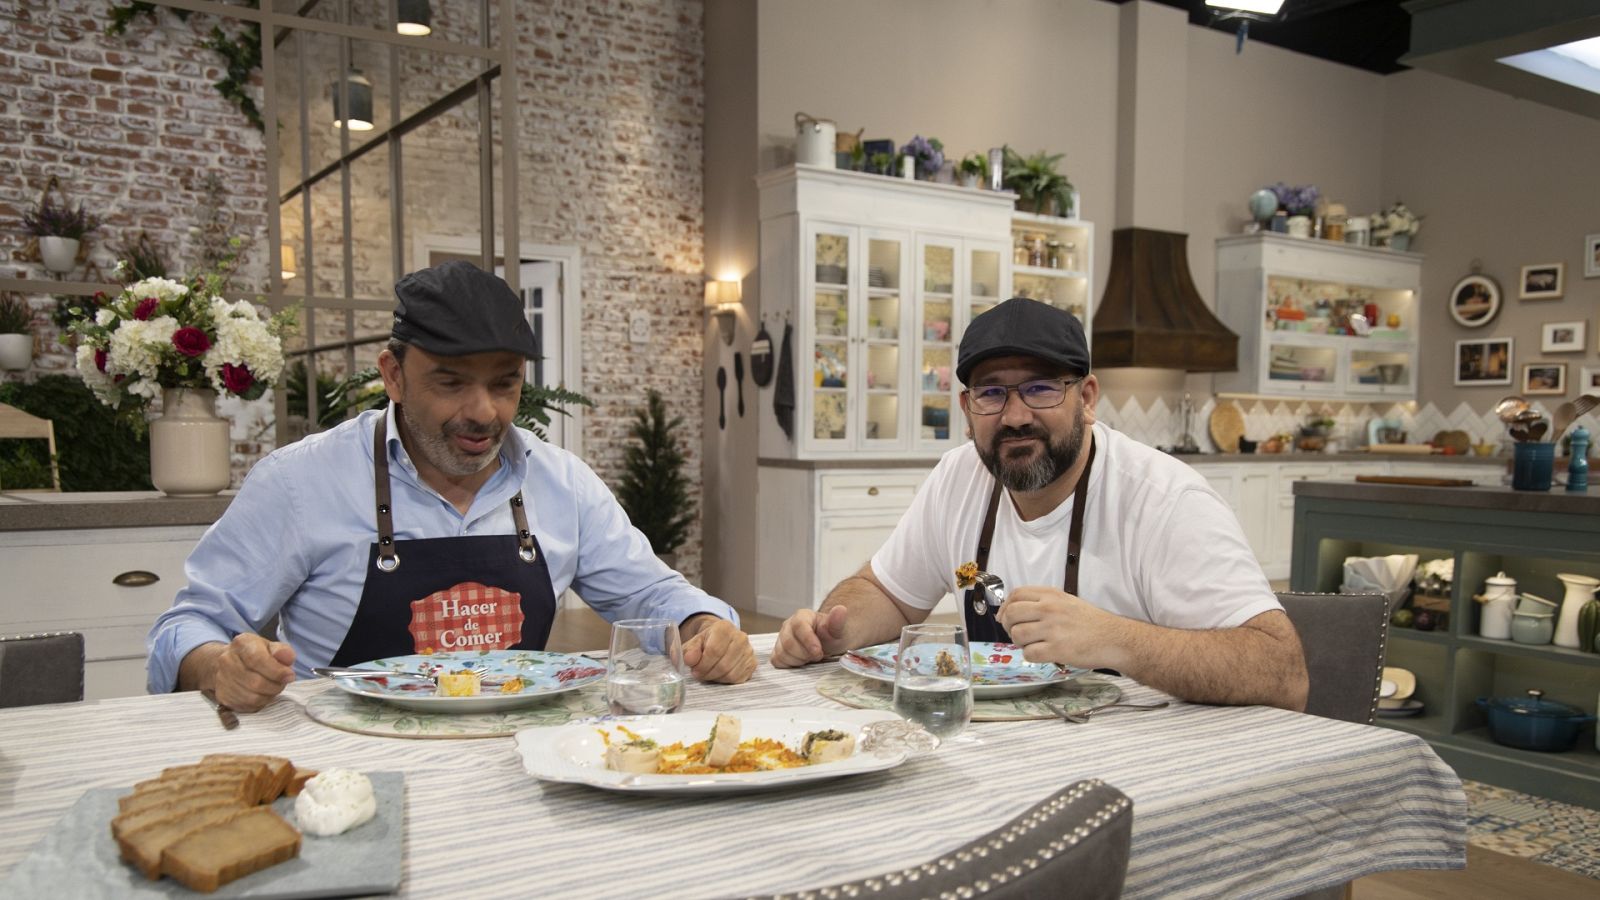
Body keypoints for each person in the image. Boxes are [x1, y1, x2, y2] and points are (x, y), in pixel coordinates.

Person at [149, 261, 756, 710]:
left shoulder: (562, 484)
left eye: (504, 383)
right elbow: (189, 626)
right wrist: (219, 665)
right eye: (450, 382)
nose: (484, 411)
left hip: (518, 762)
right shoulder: (300, 483)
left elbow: (651, 595)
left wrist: (706, 627)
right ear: (393, 374)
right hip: (346, 768)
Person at [772, 297, 1308, 711]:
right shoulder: (958, 477)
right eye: (992, 393)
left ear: (1089, 398)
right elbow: (885, 593)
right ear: (966, 407)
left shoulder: (1164, 499)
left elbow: (1283, 674)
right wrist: (833, 630)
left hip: (1145, 764)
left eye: (1041, 389)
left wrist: (1114, 638)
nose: (1014, 416)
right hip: (1000, 748)